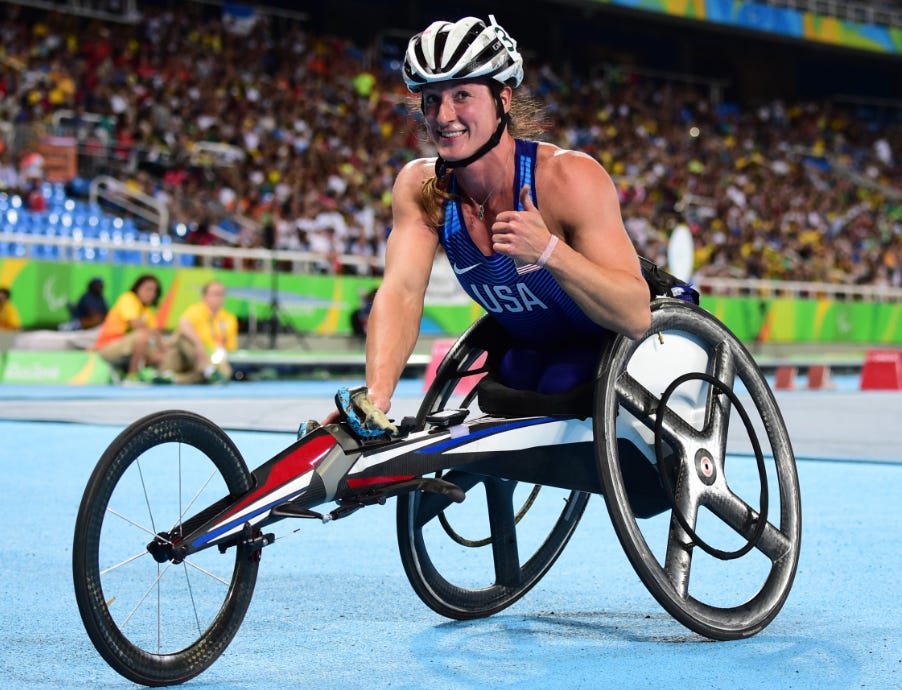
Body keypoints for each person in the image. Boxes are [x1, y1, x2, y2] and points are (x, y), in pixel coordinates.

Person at [336, 16, 651, 431]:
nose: (444, 115)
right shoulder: (420, 186)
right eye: (431, 99)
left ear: (502, 99)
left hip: (615, 347)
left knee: (556, 380)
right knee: (517, 373)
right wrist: (375, 397)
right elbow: (402, 292)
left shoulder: (567, 178)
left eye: (462, 95)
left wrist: (549, 252)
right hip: (533, 350)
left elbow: (635, 314)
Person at [157, 280, 238, 384]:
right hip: (192, 352)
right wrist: (199, 346)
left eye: (221, 294)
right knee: (181, 338)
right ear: (205, 296)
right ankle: (207, 369)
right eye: (215, 294)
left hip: (211, 356)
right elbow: (183, 324)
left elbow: (229, 348)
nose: (218, 298)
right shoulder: (196, 310)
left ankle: (175, 378)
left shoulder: (230, 319)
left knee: (224, 373)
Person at [94, 274, 166, 382]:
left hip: (129, 348)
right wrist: (153, 337)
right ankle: (132, 376)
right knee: (142, 335)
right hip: (109, 346)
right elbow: (136, 324)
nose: (151, 294)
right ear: (138, 288)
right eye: (148, 289)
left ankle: (156, 375)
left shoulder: (148, 312)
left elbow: (157, 335)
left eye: (154, 291)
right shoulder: (128, 298)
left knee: (162, 355)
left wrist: (163, 350)